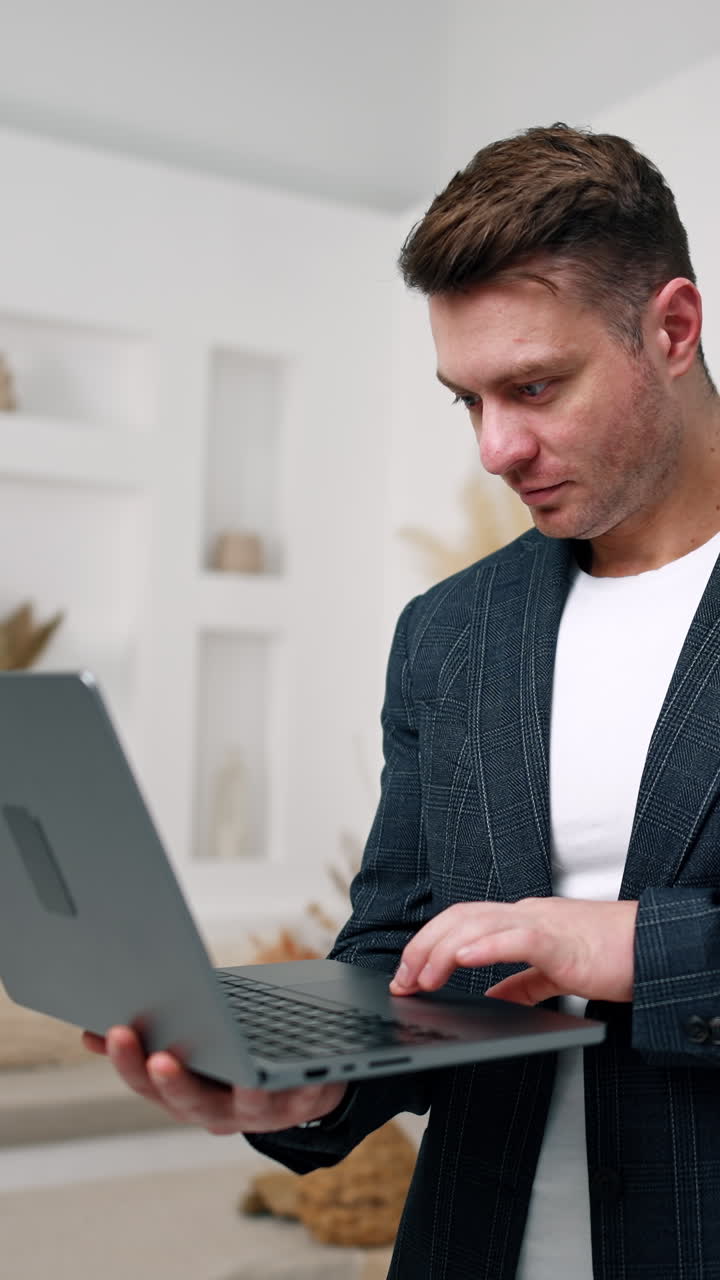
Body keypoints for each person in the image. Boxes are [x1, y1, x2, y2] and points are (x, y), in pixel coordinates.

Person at [84, 124, 720, 1278]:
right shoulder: (447, 631)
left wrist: (639, 944)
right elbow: (392, 944)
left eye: (534, 386)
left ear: (672, 328)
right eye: (466, 399)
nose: (496, 447)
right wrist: (309, 1083)